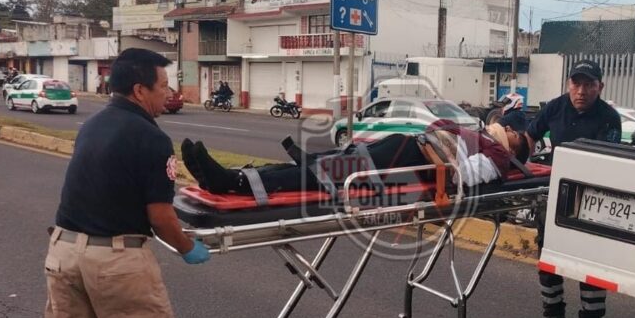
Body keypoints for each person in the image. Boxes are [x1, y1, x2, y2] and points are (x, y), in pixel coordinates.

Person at [44, 48, 211, 318]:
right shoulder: (152, 138)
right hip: (114, 259)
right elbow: (161, 217)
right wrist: (187, 247)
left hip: (63, 253)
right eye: (163, 86)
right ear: (139, 90)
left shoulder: (91, 125)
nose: (168, 92)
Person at [524, 59, 622, 318]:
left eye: (588, 84)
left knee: (591, 262)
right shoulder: (555, 107)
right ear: (569, 84)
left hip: (593, 200)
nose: (581, 90)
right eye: (576, 83)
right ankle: (553, 317)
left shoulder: (609, 117)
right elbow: (530, 134)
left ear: (600, 87)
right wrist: (525, 165)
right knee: (549, 259)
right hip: (555, 194)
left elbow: (608, 159)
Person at [181, 119, 531, 198]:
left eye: (516, 134)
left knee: (324, 172)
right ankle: (232, 176)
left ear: (515, 151)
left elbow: (460, 177)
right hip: (404, 148)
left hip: (410, 162)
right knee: (318, 165)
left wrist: (438, 155)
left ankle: (232, 182)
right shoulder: (481, 137)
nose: (510, 129)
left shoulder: (497, 156)